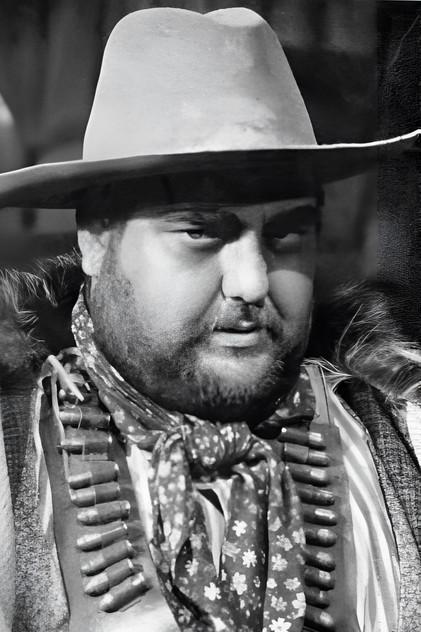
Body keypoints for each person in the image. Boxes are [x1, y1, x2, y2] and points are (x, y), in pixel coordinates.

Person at [0, 7, 420, 632]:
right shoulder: (13, 461)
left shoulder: (401, 440)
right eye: (199, 231)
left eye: (287, 234)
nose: (252, 282)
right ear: (94, 239)